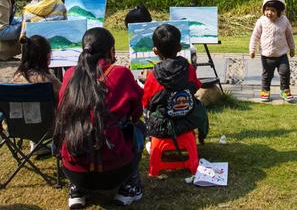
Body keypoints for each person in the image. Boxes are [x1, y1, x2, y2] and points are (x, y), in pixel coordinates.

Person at [54, 27, 144, 209]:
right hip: (115, 170)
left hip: (73, 170)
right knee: (140, 128)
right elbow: (136, 113)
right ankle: (129, 187)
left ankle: (77, 190)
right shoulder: (120, 74)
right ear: (111, 51)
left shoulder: (70, 74)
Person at [142, 24, 209, 144]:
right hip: (188, 120)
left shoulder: (152, 75)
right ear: (179, 47)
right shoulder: (189, 68)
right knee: (199, 105)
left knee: (146, 109)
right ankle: (202, 136)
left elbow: (146, 102)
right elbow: (196, 86)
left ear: (155, 51)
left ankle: (150, 138)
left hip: (161, 126)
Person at [248, 0, 296, 103]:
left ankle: (284, 90)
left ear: (279, 12)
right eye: (267, 9)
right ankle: (265, 90)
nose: (269, 13)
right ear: (264, 9)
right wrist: (252, 49)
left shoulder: (284, 21)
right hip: (267, 55)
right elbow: (255, 36)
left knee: (285, 72)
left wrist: (292, 47)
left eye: (273, 10)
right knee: (267, 75)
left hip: (281, 55)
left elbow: (289, 35)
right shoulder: (261, 21)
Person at [11, 34, 61, 99]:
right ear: (47, 56)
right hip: (44, 109)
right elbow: (63, 98)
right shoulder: (48, 80)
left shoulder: (16, 78)